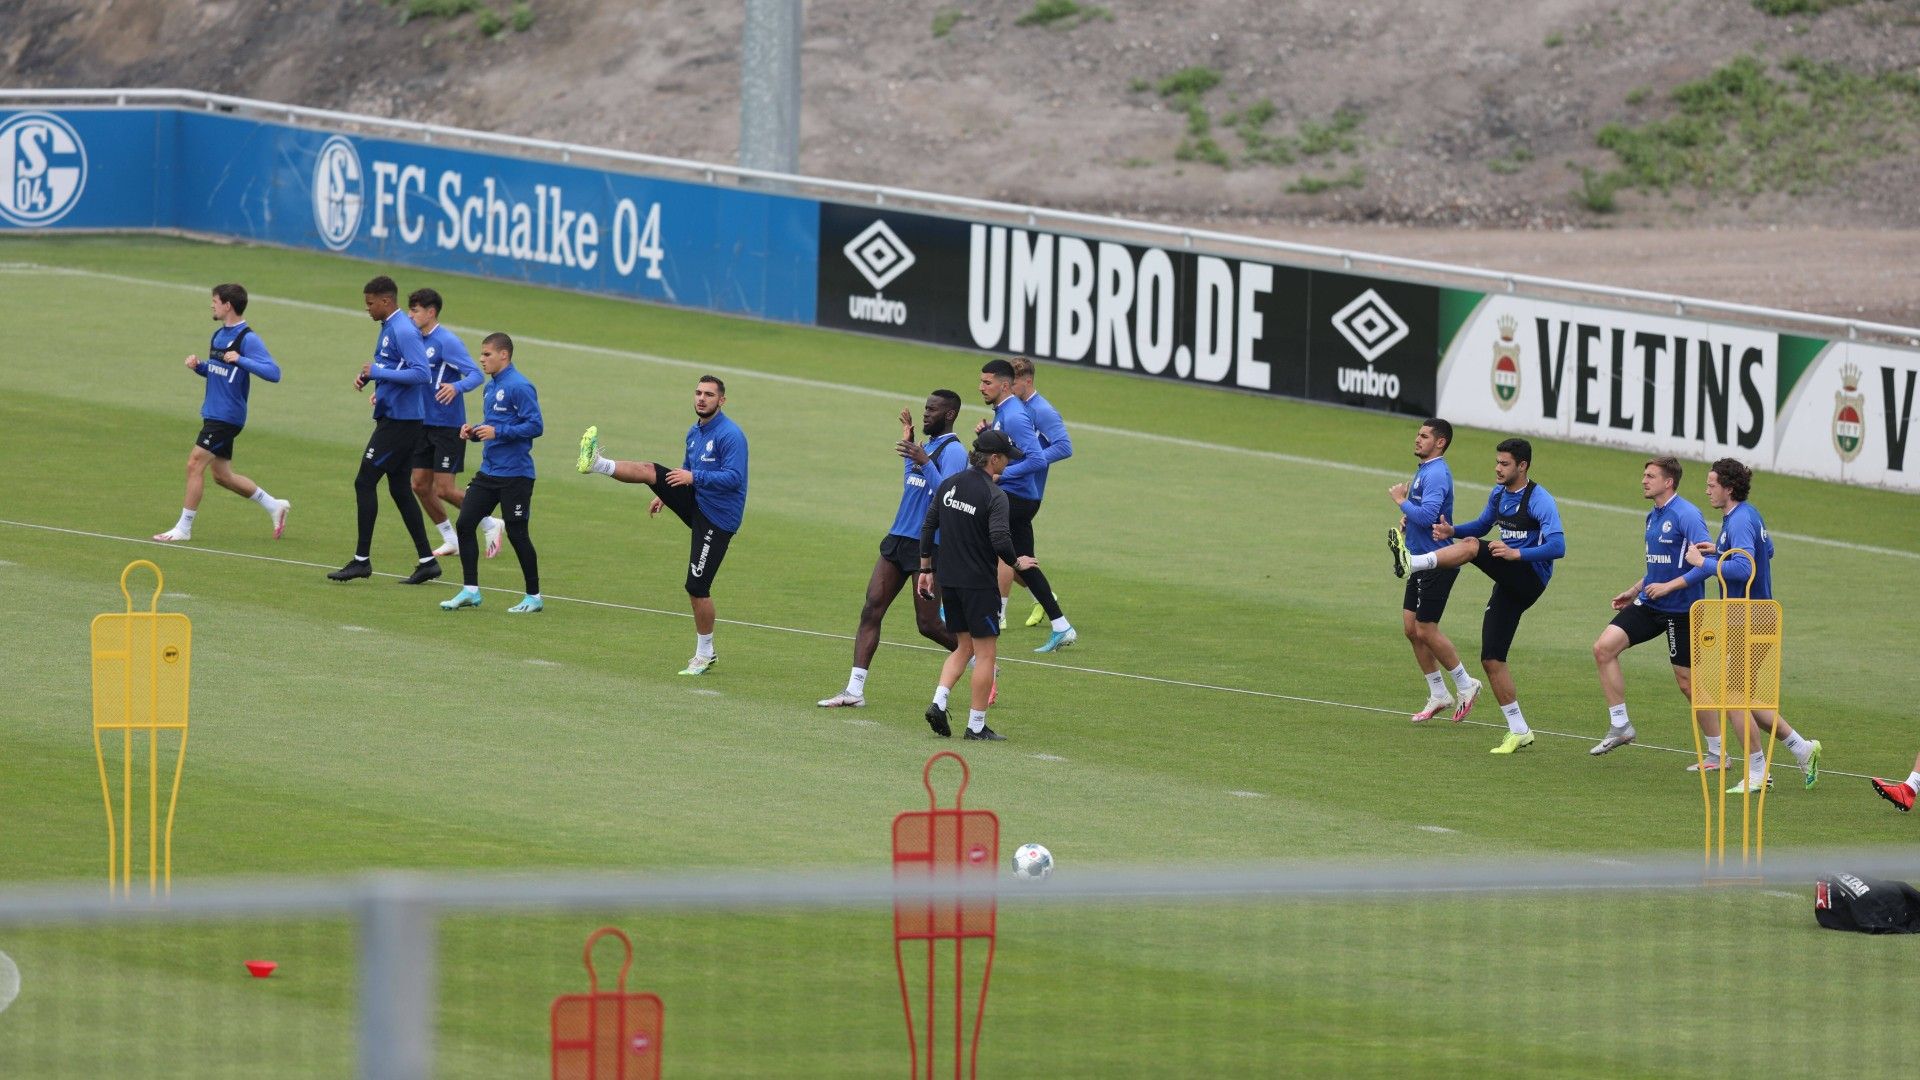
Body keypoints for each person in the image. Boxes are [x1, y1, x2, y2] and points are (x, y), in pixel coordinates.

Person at [1390, 438, 1566, 754]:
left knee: (1472, 547)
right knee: (1491, 659)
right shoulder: (1499, 494)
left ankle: (1413, 563)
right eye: (1497, 462)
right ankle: (1519, 730)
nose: (1498, 468)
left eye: (1505, 464)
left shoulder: (1539, 500)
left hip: (1529, 576)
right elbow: (1483, 525)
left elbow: (1558, 546)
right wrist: (1451, 531)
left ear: (1522, 466)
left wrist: (1517, 553)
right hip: (1508, 581)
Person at [578, 376, 748, 675]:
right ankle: (598, 464)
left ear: (721, 400)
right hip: (696, 499)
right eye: (698, 393)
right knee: (651, 471)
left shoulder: (730, 435)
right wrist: (667, 495)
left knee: (697, 587)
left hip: (717, 518)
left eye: (709, 394)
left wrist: (693, 478)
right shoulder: (694, 432)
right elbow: (686, 469)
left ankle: (705, 654)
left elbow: (734, 478)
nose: (701, 398)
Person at [817, 392, 967, 708]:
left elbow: (948, 497)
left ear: (950, 414)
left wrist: (924, 462)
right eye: (926, 408)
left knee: (928, 625)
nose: (926, 413)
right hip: (898, 537)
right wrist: (911, 454)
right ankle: (854, 691)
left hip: (929, 545)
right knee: (871, 607)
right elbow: (913, 484)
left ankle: (979, 658)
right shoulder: (926, 447)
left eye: (933, 409)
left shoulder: (954, 451)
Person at [1680, 458, 1821, 792]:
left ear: (1729, 488)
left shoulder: (1740, 519)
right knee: (1744, 696)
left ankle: (1759, 771)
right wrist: (1721, 551)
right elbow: (1766, 550)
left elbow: (1745, 569)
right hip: (1748, 618)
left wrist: (1704, 563)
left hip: (1750, 619)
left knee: (1731, 696)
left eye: (1712, 484)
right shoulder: (1746, 515)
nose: (1707, 490)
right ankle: (1802, 748)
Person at [917, 430, 1039, 741]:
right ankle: (976, 726)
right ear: (994, 459)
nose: (1009, 463)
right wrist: (1017, 563)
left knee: (964, 647)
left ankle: (939, 702)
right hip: (979, 585)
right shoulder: (995, 496)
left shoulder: (949, 484)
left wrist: (926, 569)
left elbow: (929, 525)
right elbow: (1000, 539)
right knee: (986, 654)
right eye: (1006, 458)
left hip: (949, 581)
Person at [1588, 456, 1713, 758]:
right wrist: (1634, 590)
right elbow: (1659, 566)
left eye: (1650, 476)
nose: (1643, 480)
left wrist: (1669, 587)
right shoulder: (1652, 516)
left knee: (1687, 683)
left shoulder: (1687, 515)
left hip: (1682, 609)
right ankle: (1620, 726)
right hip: (1650, 602)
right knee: (1603, 649)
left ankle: (1718, 753)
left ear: (1668, 482)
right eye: (1644, 475)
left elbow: (1707, 564)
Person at [153, 283, 291, 543]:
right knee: (222, 476)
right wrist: (199, 367)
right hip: (213, 412)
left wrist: (241, 359)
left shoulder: (247, 338)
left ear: (228, 305)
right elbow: (219, 372)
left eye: (215, 301)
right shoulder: (217, 335)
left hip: (227, 417)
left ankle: (183, 529)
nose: (211, 305)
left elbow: (274, 373)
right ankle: (274, 505)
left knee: (194, 463)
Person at [327, 276, 442, 584]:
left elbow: (422, 374)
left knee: (364, 481)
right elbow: (395, 367)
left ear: (386, 301)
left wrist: (379, 371)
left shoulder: (403, 329)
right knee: (399, 488)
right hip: (397, 417)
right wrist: (372, 377)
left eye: (370, 303)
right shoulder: (390, 327)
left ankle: (361, 561)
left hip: (401, 422)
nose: (367, 308)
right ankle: (428, 561)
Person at [975, 359, 1076, 653]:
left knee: (978, 538)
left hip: (1017, 495)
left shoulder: (1019, 413)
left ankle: (989, 611)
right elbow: (1015, 450)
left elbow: (1038, 457)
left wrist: (1002, 474)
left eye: (987, 382)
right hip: (1019, 494)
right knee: (1023, 563)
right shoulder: (1006, 411)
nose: (981, 387)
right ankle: (1061, 625)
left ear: (1006, 384)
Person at [439, 333, 544, 614]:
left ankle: (534, 596)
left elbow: (536, 426)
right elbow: (493, 425)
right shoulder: (490, 387)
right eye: (482, 354)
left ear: (503, 355)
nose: (481, 359)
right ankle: (470, 591)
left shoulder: (520, 386)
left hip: (516, 475)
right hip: (489, 472)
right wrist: (474, 432)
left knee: (518, 534)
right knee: (465, 524)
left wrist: (499, 431)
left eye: (487, 354)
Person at [1385, 418, 1480, 723]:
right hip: (1417, 559)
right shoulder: (1426, 469)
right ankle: (1439, 693)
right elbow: (1425, 514)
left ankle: (1466, 684)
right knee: (1411, 629)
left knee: (1426, 629)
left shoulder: (1437, 473)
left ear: (1440, 442)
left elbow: (1427, 516)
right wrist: (1408, 519)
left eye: (1424, 436)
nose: (1417, 439)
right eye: (1418, 434)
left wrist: (1401, 502)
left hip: (1437, 562)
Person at [403, 288, 502, 561]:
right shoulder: (413, 340)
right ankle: (450, 539)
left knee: (444, 489)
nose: (410, 315)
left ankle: (490, 523)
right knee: (419, 485)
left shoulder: (447, 341)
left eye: (415, 310)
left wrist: (456, 387)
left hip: (447, 425)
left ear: (431, 312)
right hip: (421, 422)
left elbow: (475, 375)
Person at [1008, 358, 1075, 629]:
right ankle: (1049, 607)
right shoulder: (1014, 408)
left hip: (1027, 492)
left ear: (1028, 381)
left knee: (996, 549)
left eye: (1013, 383)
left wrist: (1031, 461)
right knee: (1011, 555)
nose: (1009, 387)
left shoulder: (1043, 410)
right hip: (1011, 488)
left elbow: (1064, 446)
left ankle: (996, 613)